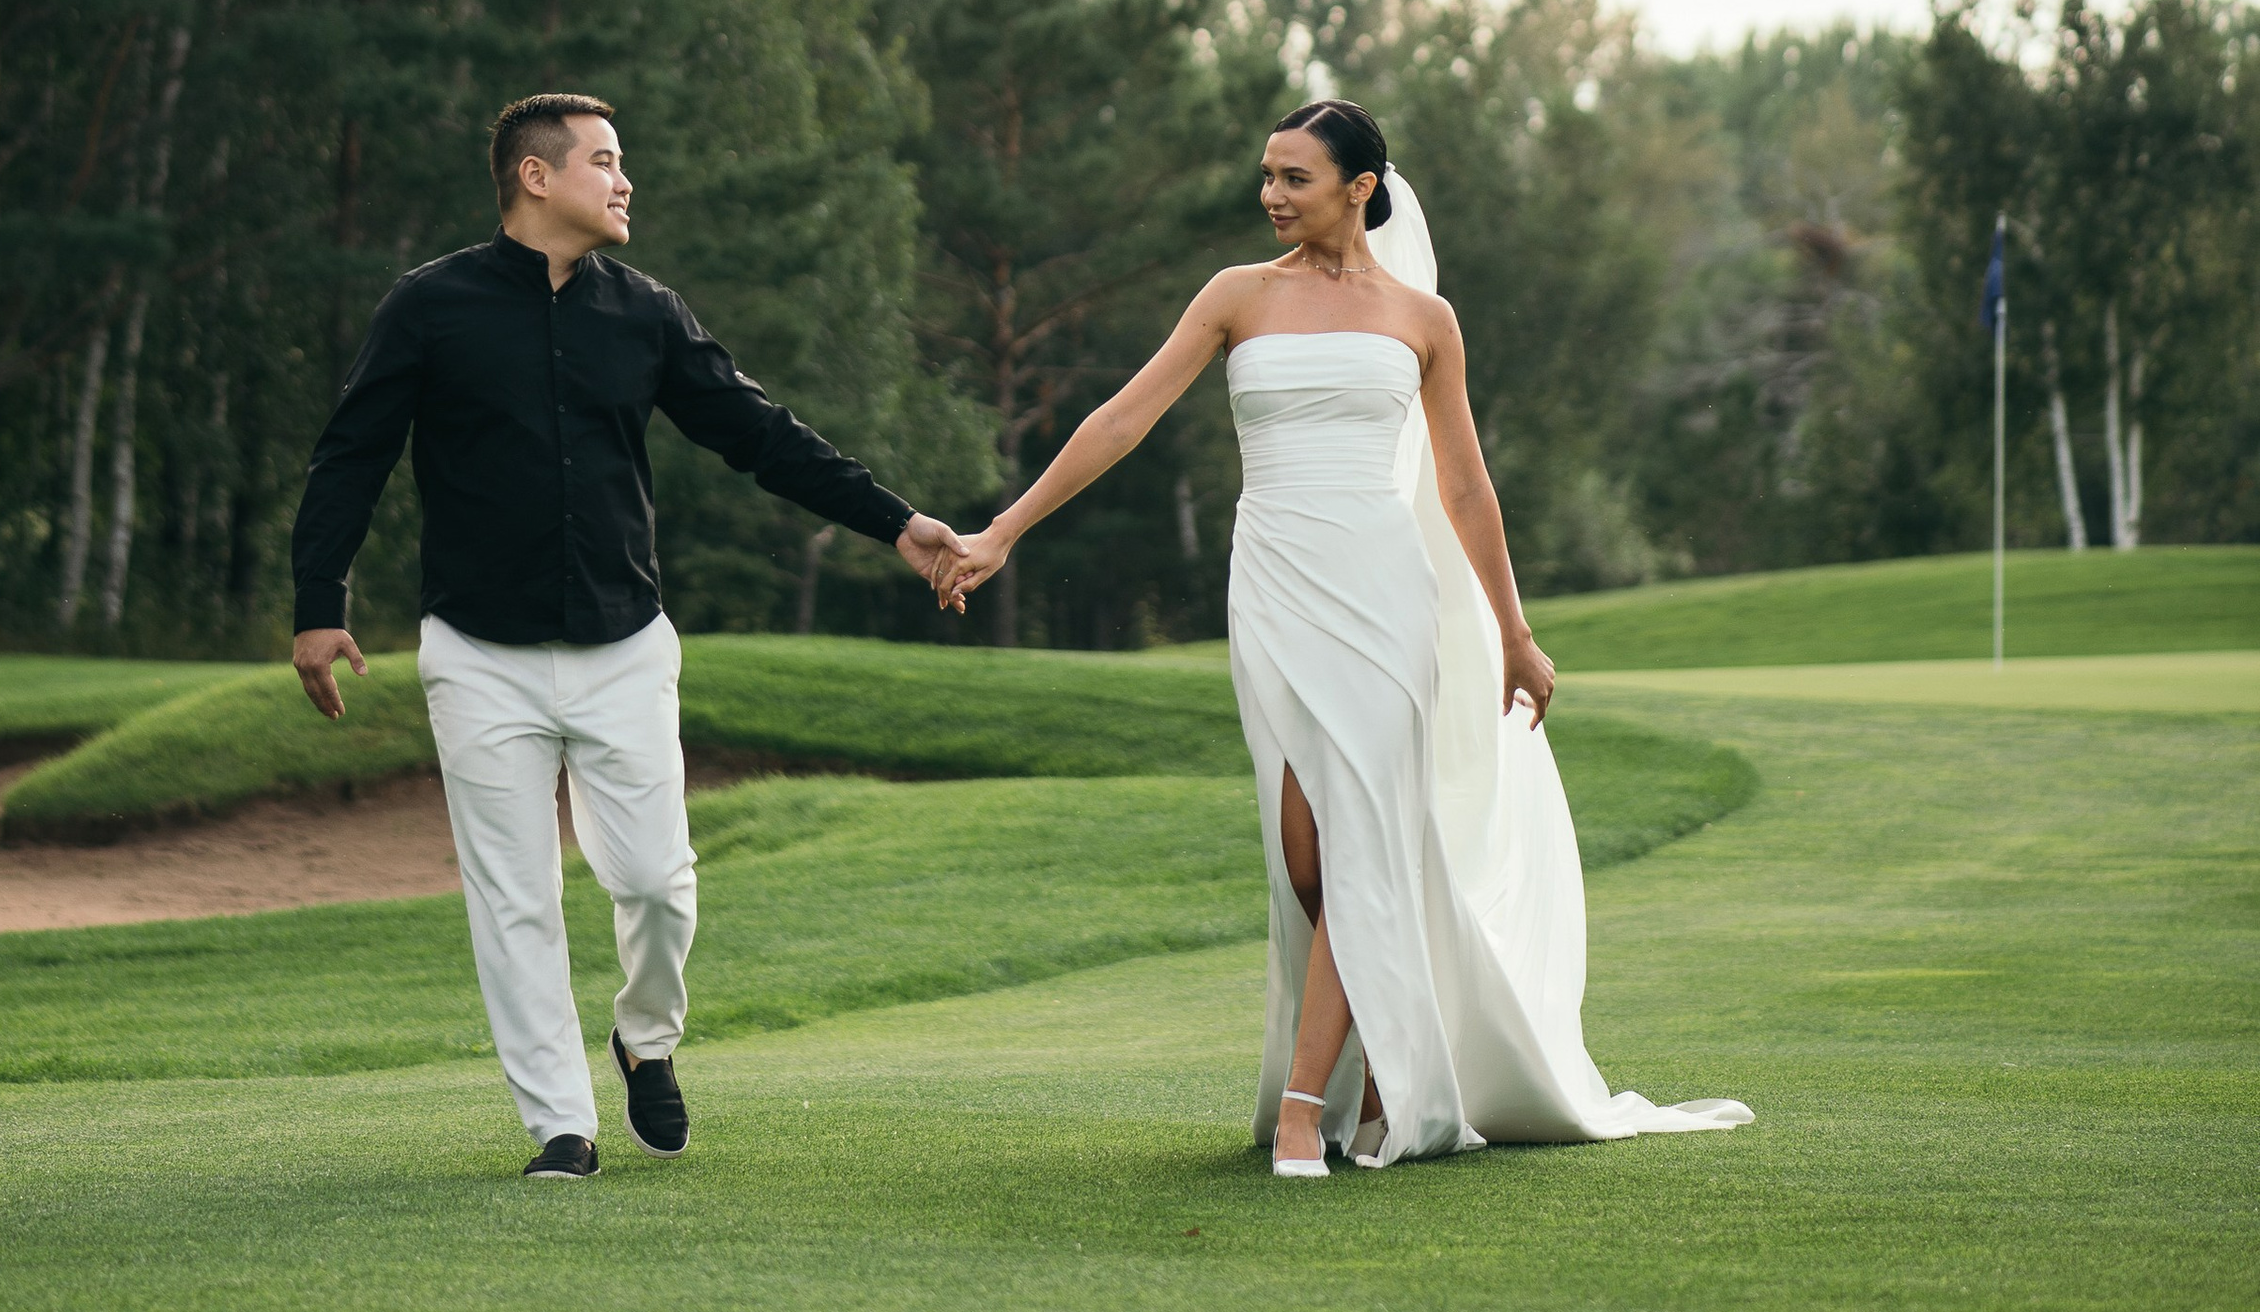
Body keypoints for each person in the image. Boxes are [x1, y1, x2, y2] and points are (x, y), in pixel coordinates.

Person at [940, 98, 1749, 1172]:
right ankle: (1376, 1064)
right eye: (1265, 177)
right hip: (1274, 586)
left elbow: (1463, 483)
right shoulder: (1235, 297)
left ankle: (1304, 1106)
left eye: (1293, 178)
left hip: (1384, 594)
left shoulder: (1424, 319)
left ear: (1359, 188)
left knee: (1359, 834)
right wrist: (1003, 530)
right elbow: (1121, 418)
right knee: (1308, 854)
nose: (1271, 196)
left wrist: (1512, 629)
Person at [291, 90, 967, 1180]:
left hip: (622, 647)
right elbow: (350, 452)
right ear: (535, 177)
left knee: (655, 883)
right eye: (604, 161)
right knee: (515, 898)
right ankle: (561, 1123)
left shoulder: (644, 312)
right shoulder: (430, 306)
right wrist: (318, 603)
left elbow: (758, 433)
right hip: (477, 654)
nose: (623, 180)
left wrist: (895, 522)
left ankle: (646, 1038)